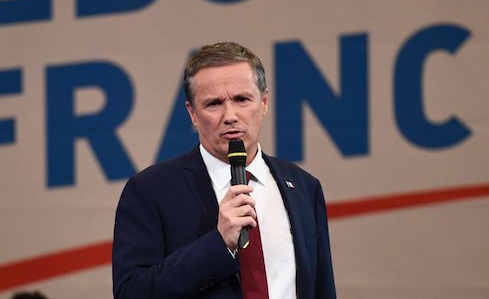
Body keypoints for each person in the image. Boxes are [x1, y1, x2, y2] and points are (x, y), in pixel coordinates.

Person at [112, 42, 336, 299]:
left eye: (242, 99)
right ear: (193, 114)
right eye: (214, 104)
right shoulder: (151, 190)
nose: (230, 115)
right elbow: (132, 292)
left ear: (263, 102)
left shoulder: (303, 187)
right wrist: (218, 245)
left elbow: (321, 288)